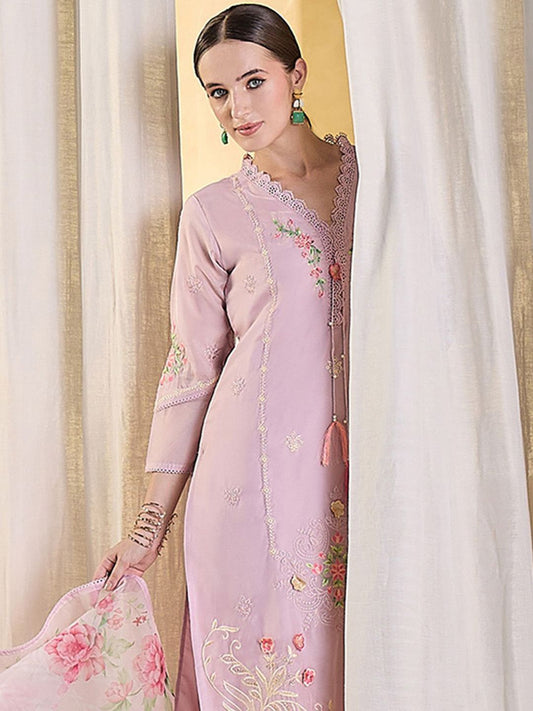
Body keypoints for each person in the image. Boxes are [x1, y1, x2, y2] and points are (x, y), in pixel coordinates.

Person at [93, 3, 359, 708]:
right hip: (252, 487)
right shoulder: (213, 213)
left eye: (253, 82)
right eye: (217, 91)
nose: (236, 108)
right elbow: (191, 370)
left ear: (296, 75)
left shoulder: (372, 181)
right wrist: (147, 528)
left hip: (371, 478)